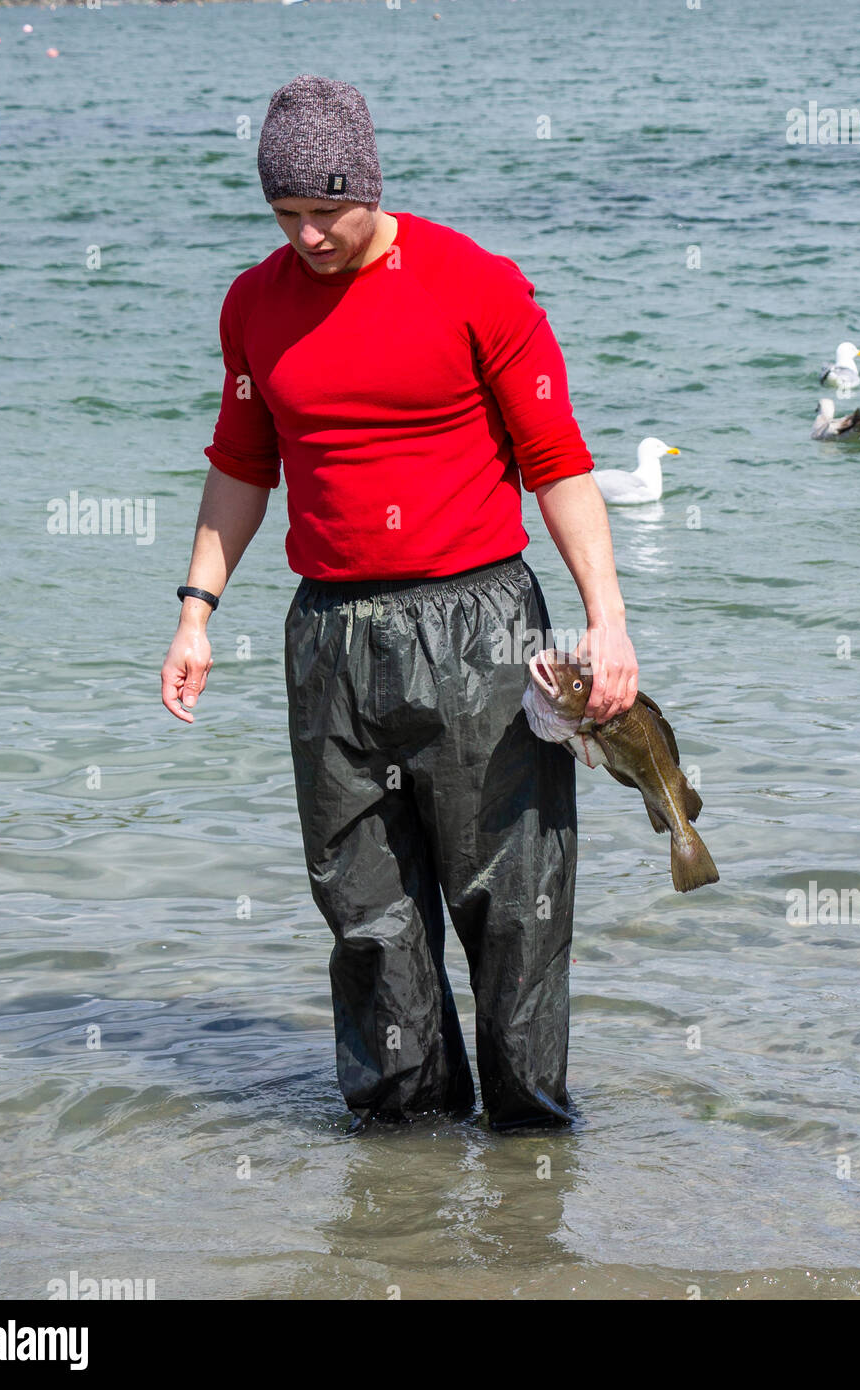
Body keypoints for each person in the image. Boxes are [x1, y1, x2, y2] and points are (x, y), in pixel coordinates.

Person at [160, 75, 638, 1132]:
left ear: (370, 185)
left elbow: (556, 462)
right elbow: (242, 462)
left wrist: (605, 617)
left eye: (327, 210)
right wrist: (197, 608)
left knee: (510, 907)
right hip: (329, 634)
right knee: (365, 914)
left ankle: (528, 1153)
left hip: (477, 624)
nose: (310, 235)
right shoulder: (253, 303)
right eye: (286, 216)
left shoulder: (475, 283)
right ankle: (402, 1167)